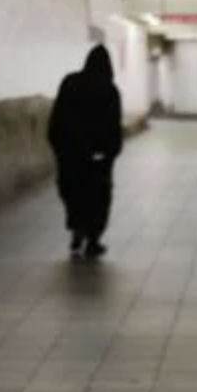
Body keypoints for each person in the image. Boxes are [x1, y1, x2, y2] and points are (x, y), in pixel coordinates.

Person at [48, 45, 124, 258]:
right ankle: (93, 239)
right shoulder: (109, 90)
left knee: (74, 194)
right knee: (98, 197)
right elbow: (113, 125)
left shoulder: (70, 83)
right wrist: (110, 153)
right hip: (97, 158)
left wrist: (60, 148)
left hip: (71, 155)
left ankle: (76, 230)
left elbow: (57, 119)